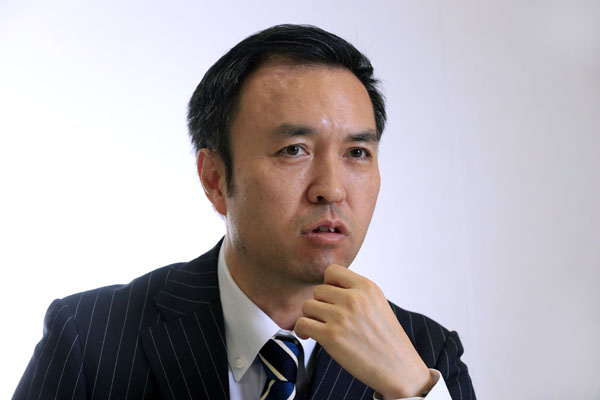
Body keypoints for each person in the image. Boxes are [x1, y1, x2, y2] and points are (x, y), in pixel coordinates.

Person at [14, 24, 475, 399]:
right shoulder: (90, 338)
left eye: (357, 153)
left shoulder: (426, 355)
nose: (331, 189)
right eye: (294, 150)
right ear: (215, 179)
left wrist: (413, 393)